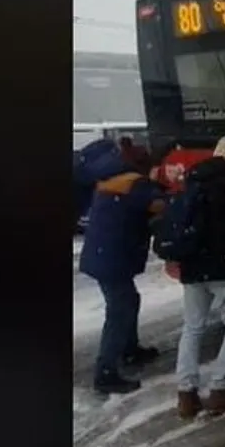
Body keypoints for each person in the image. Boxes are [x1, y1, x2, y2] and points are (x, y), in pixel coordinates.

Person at [172, 136, 225, 420]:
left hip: (192, 262)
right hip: (224, 263)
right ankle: (220, 388)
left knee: (193, 326)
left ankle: (186, 393)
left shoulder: (194, 175)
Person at [77, 138, 166, 394]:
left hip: (105, 255)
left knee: (128, 301)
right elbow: (158, 205)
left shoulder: (112, 178)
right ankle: (105, 374)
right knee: (119, 311)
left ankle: (129, 350)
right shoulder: (133, 183)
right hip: (112, 258)